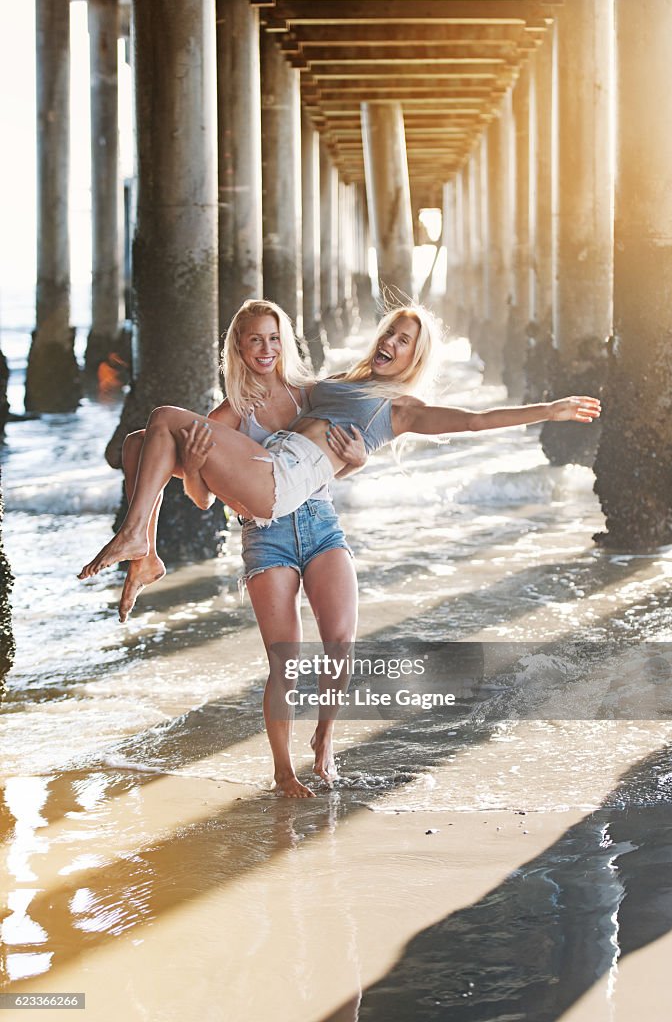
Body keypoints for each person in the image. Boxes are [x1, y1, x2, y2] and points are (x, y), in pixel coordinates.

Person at [78, 303, 601, 584]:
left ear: (415, 358)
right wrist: (258, 362)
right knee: (138, 443)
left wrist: (547, 410)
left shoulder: (400, 408)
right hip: (269, 467)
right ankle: (143, 550)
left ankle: (134, 535)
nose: (390, 344)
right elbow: (284, 393)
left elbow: (474, 420)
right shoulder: (333, 387)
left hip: (280, 484)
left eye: (404, 342)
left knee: (167, 417)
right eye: (390, 333)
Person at [112, 299, 365, 797]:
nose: (266, 349)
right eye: (255, 340)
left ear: (284, 341)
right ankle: (283, 771)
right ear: (239, 348)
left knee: (340, 644)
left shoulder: (310, 396)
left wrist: (356, 462)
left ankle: (324, 739)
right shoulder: (230, 413)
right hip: (264, 537)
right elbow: (204, 499)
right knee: (284, 661)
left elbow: (341, 456)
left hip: (320, 525)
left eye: (273, 338)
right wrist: (202, 464)